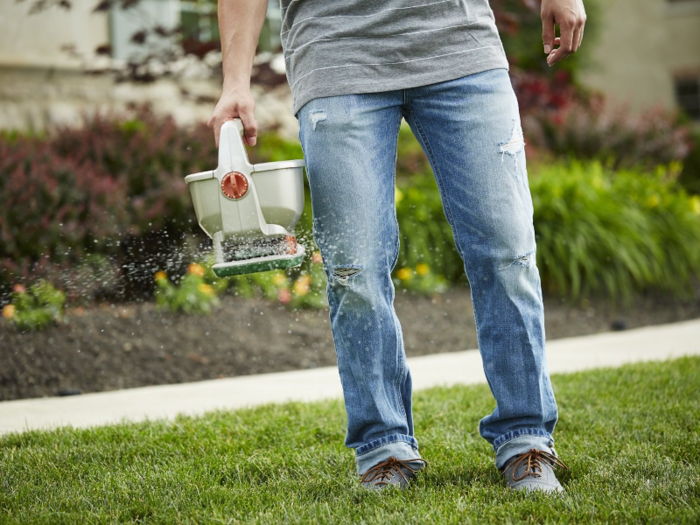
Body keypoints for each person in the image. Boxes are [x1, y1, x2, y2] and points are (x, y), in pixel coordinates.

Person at [209, 0, 586, 492]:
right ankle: (383, 448)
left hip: (459, 44)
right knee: (354, 269)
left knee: (506, 251)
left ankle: (526, 440)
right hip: (336, 53)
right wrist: (235, 81)